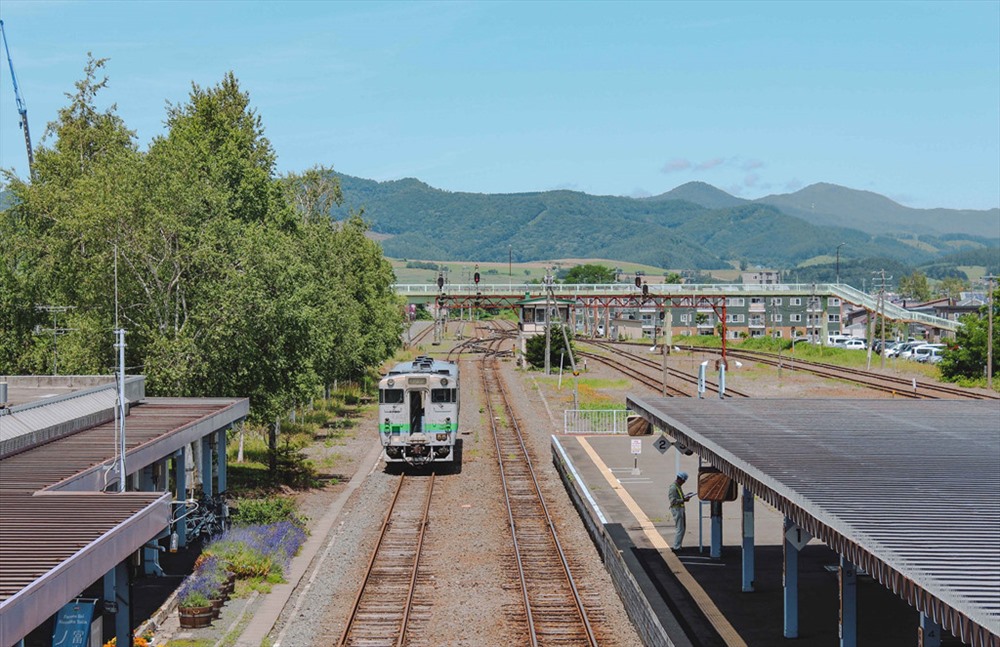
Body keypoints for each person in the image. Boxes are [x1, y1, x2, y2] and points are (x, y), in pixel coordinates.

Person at [669, 471, 695, 551]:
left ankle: (678, 545)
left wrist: (686, 496)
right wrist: (683, 499)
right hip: (677, 509)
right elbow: (673, 501)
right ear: (680, 479)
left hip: (680, 508)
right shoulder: (673, 488)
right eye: (683, 481)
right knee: (680, 528)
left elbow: (680, 496)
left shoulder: (677, 486)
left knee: (682, 528)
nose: (683, 483)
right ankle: (676, 547)